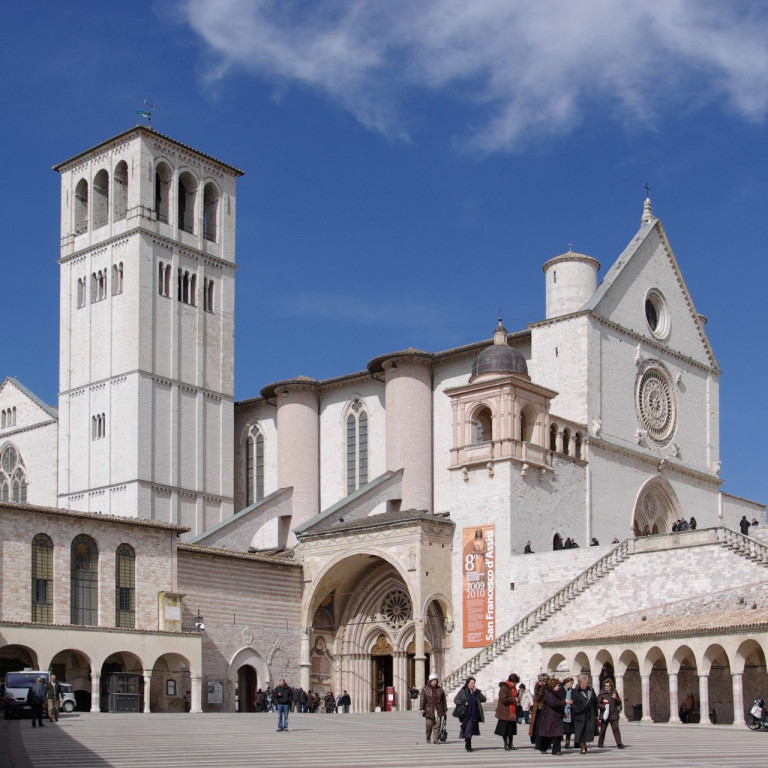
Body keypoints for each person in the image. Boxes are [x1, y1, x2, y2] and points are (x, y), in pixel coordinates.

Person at [454, 676, 486, 752]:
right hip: (466, 714)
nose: (473, 685)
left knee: (471, 729)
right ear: (468, 684)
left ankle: (467, 741)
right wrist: (463, 702)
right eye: (471, 683)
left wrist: (478, 692)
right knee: (468, 729)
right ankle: (468, 746)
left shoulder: (476, 692)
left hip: (474, 714)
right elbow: (456, 700)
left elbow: (484, 699)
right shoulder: (463, 691)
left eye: (474, 683)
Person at [570, 674, 598, 754]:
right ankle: (582, 747)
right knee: (581, 731)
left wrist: (596, 714)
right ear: (579, 683)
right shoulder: (575, 692)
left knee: (587, 731)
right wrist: (578, 710)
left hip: (590, 715)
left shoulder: (591, 691)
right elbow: (573, 704)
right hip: (580, 715)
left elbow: (595, 702)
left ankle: (584, 746)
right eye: (583, 684)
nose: (585, 685)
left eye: (586, 684)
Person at [419, 673, 447, 744]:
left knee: (437, 725)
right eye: (433, 681)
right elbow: (422, 699)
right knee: (429, 725)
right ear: (430, 681)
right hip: (429, 709)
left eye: (436, 681)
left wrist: (445, 709)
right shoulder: (425, 689)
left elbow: (443, 700)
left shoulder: (440, 689)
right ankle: (428, 737)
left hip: (438, 709)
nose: (434, 682)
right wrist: (422, 708)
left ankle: (436, 739)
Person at [597, 678, 625, 749]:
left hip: (613, 714)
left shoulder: (614, 692)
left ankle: (619, 743)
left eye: (608, 686)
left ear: (611, 686)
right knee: (603, 729)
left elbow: (619, 703)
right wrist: (603, 707)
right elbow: (597, 704)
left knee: (616, 729)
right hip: (605, 714)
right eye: (605, 686)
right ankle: (600, 743)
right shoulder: (602, 693)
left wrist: (616, 698)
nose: (607, 687)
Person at [494, 673, 519, 751]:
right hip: (505, 712)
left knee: (511, 729)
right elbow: (503, 699)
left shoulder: (514, 688)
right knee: (505, 730)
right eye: (514, 683)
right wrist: (514, 699)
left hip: (512, 712)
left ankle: (510, 744)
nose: (515, 684)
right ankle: (506, 743)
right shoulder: (504, 688)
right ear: (511, 681)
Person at [561, 676, 575, 748]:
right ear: (566, 683)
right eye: (570, 683)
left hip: (570, 712)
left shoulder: (573, 691)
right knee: (561, 728)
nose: (571, 685)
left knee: (569, 730)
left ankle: (567, 743)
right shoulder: (561, 690)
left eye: (572, 683)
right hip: (562, 711)